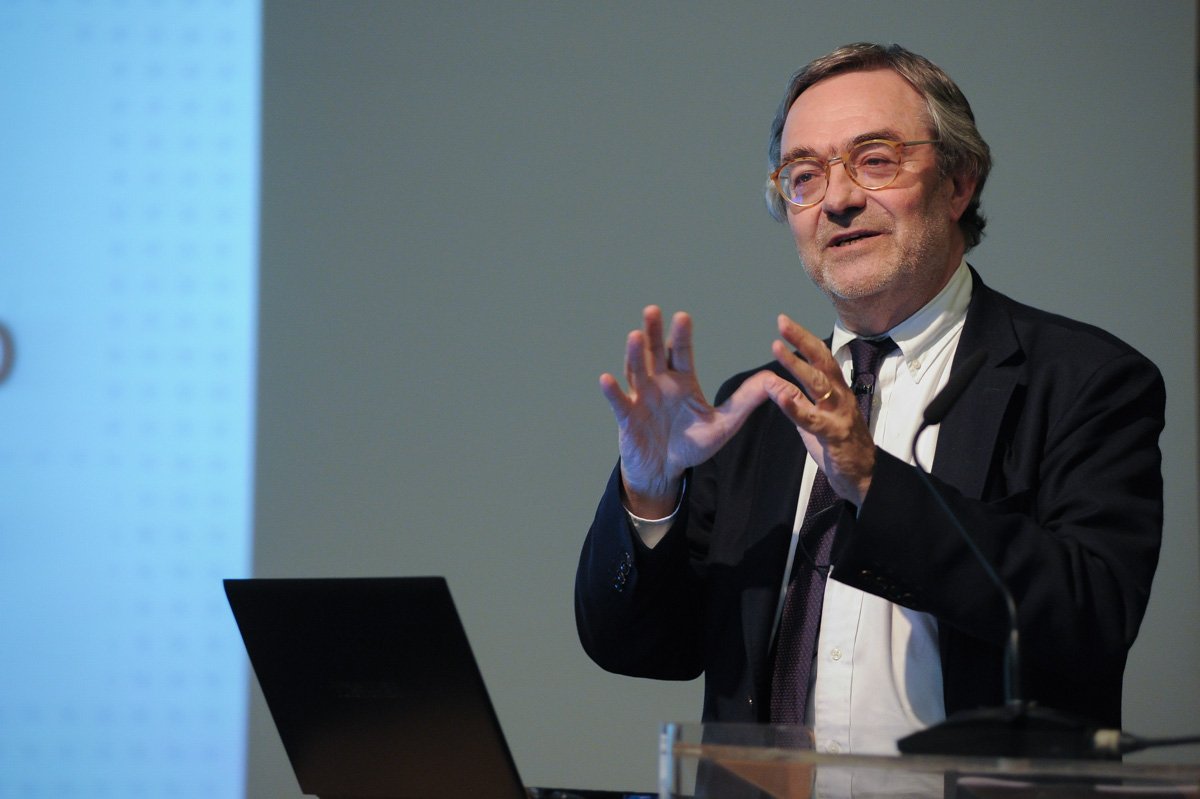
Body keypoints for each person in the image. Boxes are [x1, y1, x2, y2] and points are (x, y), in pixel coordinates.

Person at [574, 42, 1164, 756]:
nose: (838, 199)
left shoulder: (1082, 379)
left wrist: (872, 483)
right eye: (804, 176)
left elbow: (1093, 618)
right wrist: (650, 490)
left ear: (958, 183)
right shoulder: (757, 411)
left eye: (875, 160)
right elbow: (644, 646)